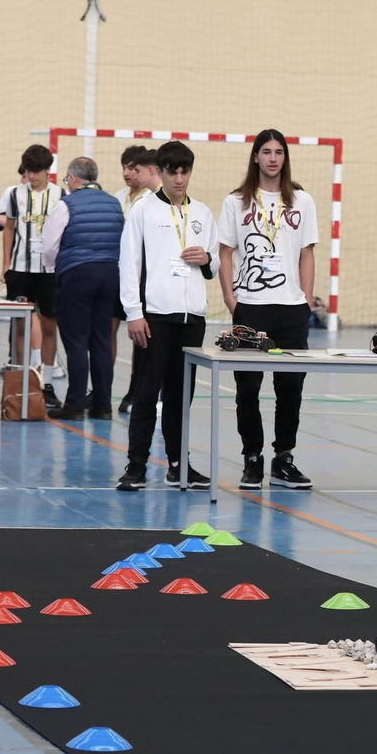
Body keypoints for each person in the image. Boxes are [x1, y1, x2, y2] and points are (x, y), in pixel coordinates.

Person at [216, 129, 321, 489]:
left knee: (290, 388)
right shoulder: (236, 202)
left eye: (279, 152)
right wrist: (232, 299)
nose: (273, 158)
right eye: (266, 152)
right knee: (248, 388)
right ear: (256, 157)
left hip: (291, 309)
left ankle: (283, 459)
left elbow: (307, 252)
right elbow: (225, 253)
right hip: (251, 307)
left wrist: (307, 299)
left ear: (285, 158)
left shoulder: (302, 201)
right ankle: (252, 458)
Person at [116, 140, 218, 491]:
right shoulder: (144, 210)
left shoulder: (203, 213)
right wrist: (134, 313)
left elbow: (215, 262)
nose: (178, 178)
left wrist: (207, 259)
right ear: (159, 172)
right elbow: (128, 264)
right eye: (171, 171)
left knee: (181, 396)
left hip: (192, 320)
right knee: (146, 394)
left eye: (184, 171)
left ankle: (178, 464)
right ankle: (136, 466)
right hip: (154, 317)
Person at [40, 156, 123, 419]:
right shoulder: (114, 204)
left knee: (76, 340)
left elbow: (50, 245)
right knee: (102, 340)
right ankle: (103, 406)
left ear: (73, 179)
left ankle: (74, 405)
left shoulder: (67, 204)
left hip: (77, 274)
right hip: (110, 274)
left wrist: (57, 268)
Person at [0, 143, 63, 407]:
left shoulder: (60, 195)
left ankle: (45, 382)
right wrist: (5, 263)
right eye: (28, 171)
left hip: (50, 270)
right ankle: (19, 377)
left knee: (48, 324)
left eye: (37, 171)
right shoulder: (14, 194)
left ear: (47, 170)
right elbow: (9, 228)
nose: (32, 176)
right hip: (21, 269)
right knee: (20, 323)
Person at [116, 145, 160, 415]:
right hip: (121, 272)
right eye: (125, 167)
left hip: (148, 276)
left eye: (134, 168)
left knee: (145, 338)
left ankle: (140, 389)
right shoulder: (119, 197)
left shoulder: (154, 199)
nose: (128, 173)